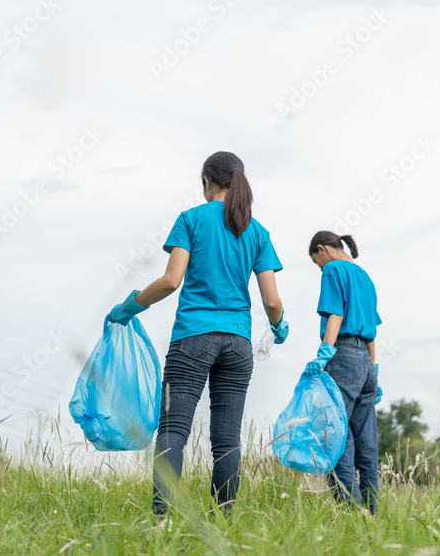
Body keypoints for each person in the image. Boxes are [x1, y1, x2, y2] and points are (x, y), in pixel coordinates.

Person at [106, 151, 287, 516]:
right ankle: (226, 521)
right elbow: (272, 301)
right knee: (227, 440)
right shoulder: (256, 230)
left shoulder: (190, 220)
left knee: (173, 430)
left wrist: (128, 307)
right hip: (238, 344)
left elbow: (172, 281)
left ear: (207, 181)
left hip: (192, 338)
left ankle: (162, 520)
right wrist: (279, 327)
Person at [303, 231, 383, 515]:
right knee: (367, 441)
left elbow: (335, 315)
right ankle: (372, 513)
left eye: (317, 263)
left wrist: (325, 350)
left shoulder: (333, 269)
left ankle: (352, 514)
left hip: (344, 354)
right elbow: (373, 332)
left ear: (322, 250)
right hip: (365, 362)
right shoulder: (365, 277)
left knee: (335, 436)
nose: (320, 269)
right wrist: (373, 370)